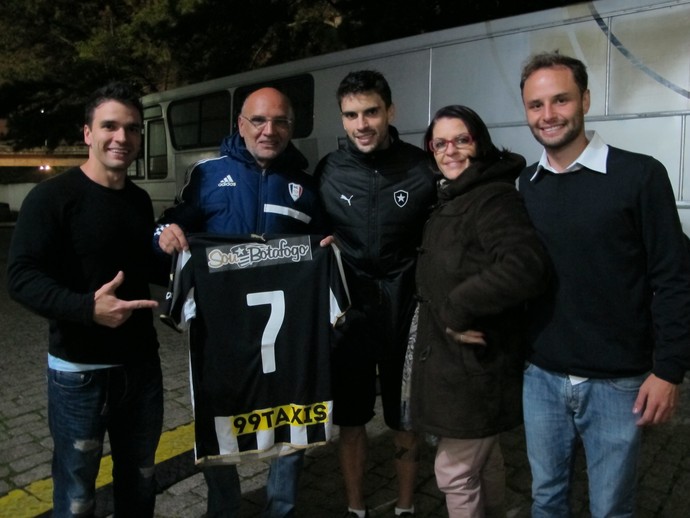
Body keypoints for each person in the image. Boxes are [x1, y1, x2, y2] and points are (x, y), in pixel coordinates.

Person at [518, 51, 690, 517]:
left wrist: (670, 369)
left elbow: (674, 277)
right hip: (542, 378)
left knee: (611, 507)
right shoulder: (525, 185)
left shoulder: (639, 175)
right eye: (536, 105)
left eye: (560, 100)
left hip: (619, 383)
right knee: (546, 499)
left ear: (586, 100)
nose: (548, 115)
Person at [154, 87, 325, 518]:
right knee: (219, 412)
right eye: (259, 121)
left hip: (284, 333)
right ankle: (224, 509)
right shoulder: (207, 174)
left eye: (281, 121)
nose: (270, 131)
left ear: (291, 127)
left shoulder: (305, 185)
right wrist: (163, 235)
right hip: (222, 328)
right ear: (241, 125)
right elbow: (171, 224)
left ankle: (280, 509)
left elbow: (321, 244)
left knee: (293, 414)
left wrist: (330, 248)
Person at [7, 82, 164, 517]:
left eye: (132, 129)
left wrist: (177, 254)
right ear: (87, 134)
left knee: (141, 484)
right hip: (79, 374)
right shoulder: (51, 198)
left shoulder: (138, 200)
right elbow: (20, 277)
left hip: (141, 368)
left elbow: (141, 271)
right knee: (77, 495)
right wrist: (86, 308)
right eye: (109, 126)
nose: (122, 138)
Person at [409, 105, 549, 517]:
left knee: (453, 471)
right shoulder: (459, 193)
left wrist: (459, 306)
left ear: (480, 143)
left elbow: (525, 264)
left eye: (461, 140)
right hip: (464, 367)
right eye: (439, 143)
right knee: (483, 458)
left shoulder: (492, 197)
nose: (449, 150)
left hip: (477, 367)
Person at [316, 70, 437, 518]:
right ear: (342, 118)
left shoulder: (421, 167)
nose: (361, 124)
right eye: (351, 115)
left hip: (406, 310)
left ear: (390, 111)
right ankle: (356, 508)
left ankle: (405, 507)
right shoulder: (329, 170)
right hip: (351, 316)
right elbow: (307, 234)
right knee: (350, 420)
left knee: (405, 421)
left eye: (370, 112)